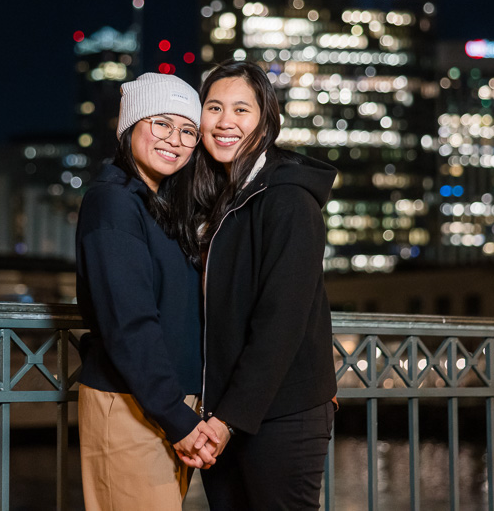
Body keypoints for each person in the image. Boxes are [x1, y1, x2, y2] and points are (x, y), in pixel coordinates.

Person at [193, 61, 338, 510]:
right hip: (226, 413)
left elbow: (282, 319)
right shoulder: (218, 200)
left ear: (266, 121)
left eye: (241, 109)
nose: (225, 122)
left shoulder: (289, 200)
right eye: (214, 107)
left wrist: (227, 420)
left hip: (282, 413)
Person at [75, 72, 220, 511]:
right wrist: (179, 418)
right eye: (161, 123)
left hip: (162, 405)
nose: (174, 139)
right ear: (130, 126)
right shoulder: (114, 202)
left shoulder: (161, 208)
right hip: (131, 407)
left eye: (188, 130)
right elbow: (128, 322)